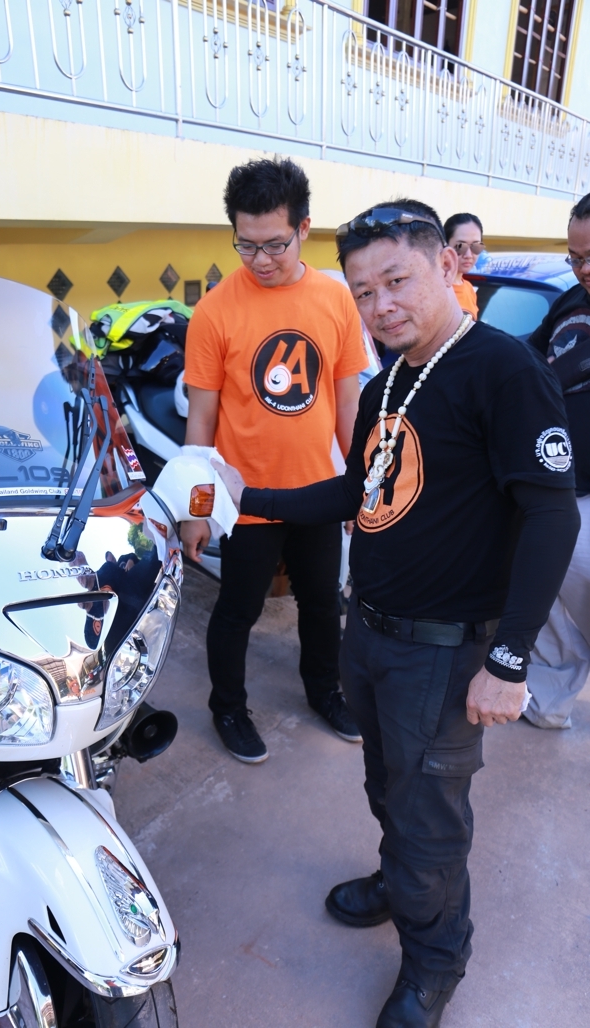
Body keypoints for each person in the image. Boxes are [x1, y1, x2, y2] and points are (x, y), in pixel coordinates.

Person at [214, 199, 579, 1027]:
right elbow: (358, 491)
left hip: (444, 654)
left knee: (429, 819)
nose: (380, 306)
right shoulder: (389, 382)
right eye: (363, 292)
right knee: (390, 789)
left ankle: (434, 964)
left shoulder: (501, 371)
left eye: (396, 281)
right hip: (373, 634)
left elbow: (550, 515)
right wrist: (249, 497)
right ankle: (398, 880)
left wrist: (510, 660)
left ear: (446, 265)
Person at [181, 157, 367, 763]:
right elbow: (201, 424)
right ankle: (228, 708)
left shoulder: (336, 300)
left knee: (322, 603)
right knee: (238, 610)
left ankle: (325, 691)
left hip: (318, 492)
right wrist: (196, 508)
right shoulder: (214, 312)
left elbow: (347, 403)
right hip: (246, 499)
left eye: (275, 245)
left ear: (304, 228)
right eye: (246, 245)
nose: (260, 260)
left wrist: (361, 488)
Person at [523, 192, 590, 728]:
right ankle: (548, 703)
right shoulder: (570, 301)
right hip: (553, 484)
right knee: (539, 592)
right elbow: (528, 355)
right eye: (575, 257)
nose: (583, 269)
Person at [444, 212, 485, 318]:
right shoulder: (435, 289)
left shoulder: (469, 289)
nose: (468, 255)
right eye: (460, 246)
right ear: (445, 246)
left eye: (476, 246)